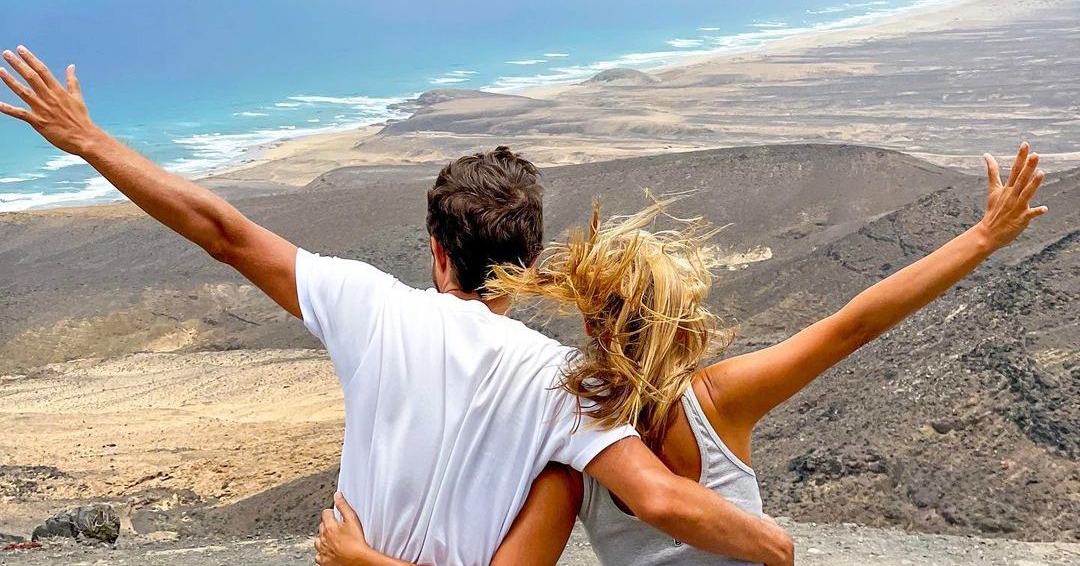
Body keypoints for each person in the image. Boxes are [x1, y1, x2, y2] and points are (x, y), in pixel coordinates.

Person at [0, 46, 793, 566]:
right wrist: (770, 541)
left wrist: (88, 140)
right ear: (531, 265)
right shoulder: (564, 385)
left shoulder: (368, 307)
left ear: (438, 251)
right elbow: (656, 497)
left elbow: (223, 233)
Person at [315, 143, 1048, 566]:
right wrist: (979, 239)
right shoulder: (718, 398)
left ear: (596, 327)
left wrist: (363, 560)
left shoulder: (569, 431)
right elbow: (853, 325)